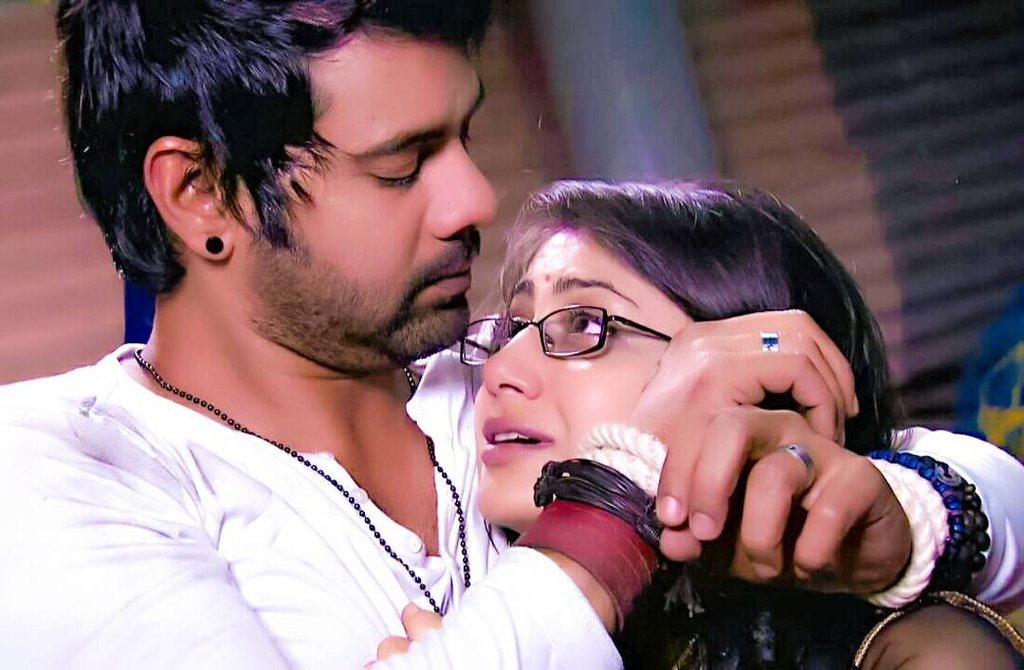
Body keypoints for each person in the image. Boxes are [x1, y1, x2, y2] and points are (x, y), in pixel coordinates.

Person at [0, 1, 1021, 668]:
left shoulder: (492, 382)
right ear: (200, 193)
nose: (474, 197)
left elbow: (983, 488)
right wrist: (619, 490)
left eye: (465, 134)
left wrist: (900, 521)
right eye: (404, 163)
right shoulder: (57, 469)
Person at [452, 179, 1024, 668]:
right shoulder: (467, 598)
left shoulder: (903, 651)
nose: (499, 369)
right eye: (513, 328)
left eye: (583, 323)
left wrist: (919, 511)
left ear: (753, 373)